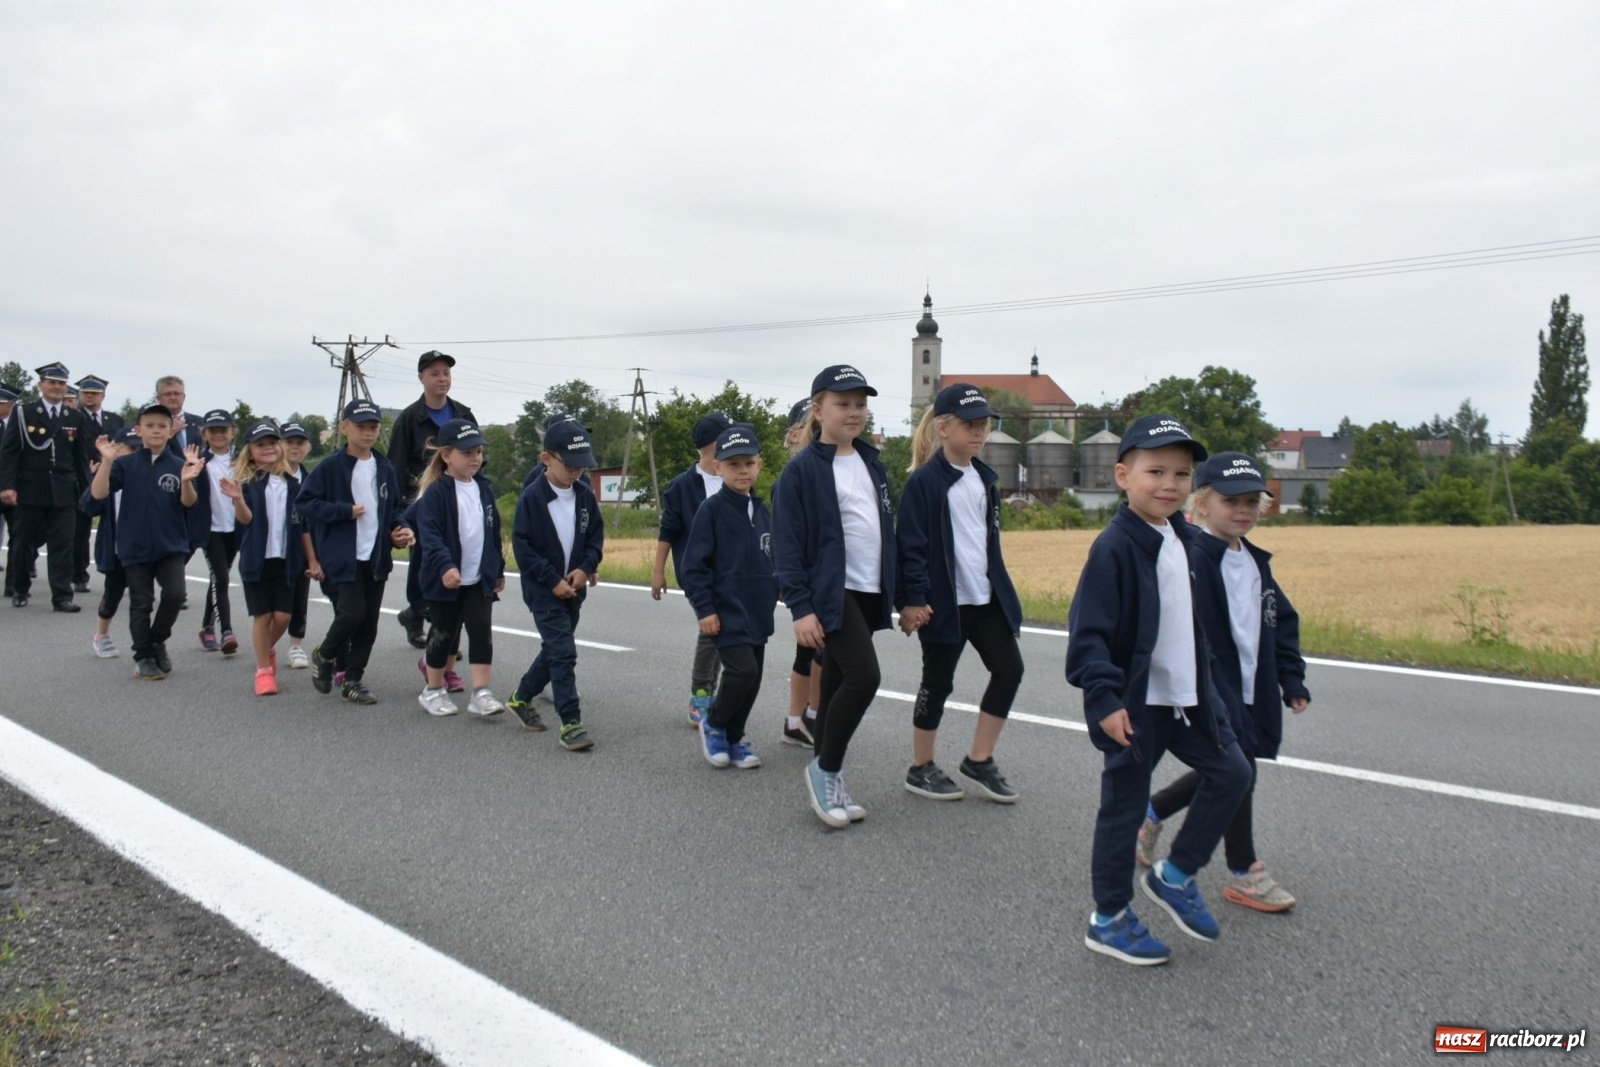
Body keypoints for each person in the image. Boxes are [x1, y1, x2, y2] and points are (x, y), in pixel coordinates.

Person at [1066, 415, 1253, 966]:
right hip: (1136, 706)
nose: (1169, 484)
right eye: (1155, 471)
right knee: (1123, 812)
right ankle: (1109, 919)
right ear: (1123, 475)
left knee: (1235, 773)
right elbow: (1089, 634)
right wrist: (1104, 700)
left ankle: (1174, 875)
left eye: (1181, 473)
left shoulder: (1186, 539)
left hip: (1189, 700)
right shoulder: (1115, 548)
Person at [1138, 452, 1311, 913]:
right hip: (1213, 689)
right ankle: (1244, 870)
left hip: (1255, 688)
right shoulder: (1193, 558)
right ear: (1202, 503)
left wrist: (1291, 678)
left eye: (1253, 501)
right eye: (1232, 500)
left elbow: (1282, 622)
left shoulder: (1255, 562)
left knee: (1236, 768)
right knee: (1240, 772)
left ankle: (1152, 813)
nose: (1243, 510)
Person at [773, 365, 895, 829]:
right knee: (865, 678)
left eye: (861, 404)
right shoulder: (801, 472)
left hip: (868, 588)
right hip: (831, 591)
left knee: (839, 683)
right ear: (818, 410)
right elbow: (786, 544)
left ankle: (829, 772)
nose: (854, 412)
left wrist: (905, 595)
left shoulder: (871, 462)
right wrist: (800, 607)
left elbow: (886, 530)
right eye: (843, 404)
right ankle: (825, 770)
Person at [895, 384, 1025, 803]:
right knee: (937, 684)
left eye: (983, 424)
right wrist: (913, 599)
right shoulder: (924, 483)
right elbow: (910, 547)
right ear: (943, 428)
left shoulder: (985, 479)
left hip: (985, 601)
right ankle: (921, 767)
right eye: (969, 425)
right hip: (942, 605)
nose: (979, 432)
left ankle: (980, 759)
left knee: (1010, 670)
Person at [297, 399, 415, 704]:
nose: (368, 433)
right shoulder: (330, 467)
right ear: (344, 426)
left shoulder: (384, 466)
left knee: (369, 623)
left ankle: (353, 680)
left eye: (373, 427)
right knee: (352, 613)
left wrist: (399, 530)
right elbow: (305, 503)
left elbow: (392, 510)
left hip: (374, 557)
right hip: (342, 556)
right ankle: (324, 654)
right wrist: (343, 511)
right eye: (361, 426)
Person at [681, 424, 777, 770]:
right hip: (726, 612)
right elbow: (694, 567)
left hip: (758, 612)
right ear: (718, 467)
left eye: (748, 463)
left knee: (753, 678)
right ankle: (716, 724)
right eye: (733, 464)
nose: (742, 471)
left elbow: (772, 557)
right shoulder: (712, 511)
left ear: (759, 465)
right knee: (741, 672)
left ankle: (735, 738)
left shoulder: (763, 510)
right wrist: (704, 609)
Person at [88, 401, 205, 679]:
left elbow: (189, 503)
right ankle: (143, 656)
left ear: (170, 431)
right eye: (150, 426)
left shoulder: (180, 465)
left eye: (162, 426)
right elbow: (99, 494)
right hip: (134, 546)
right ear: (139, 431)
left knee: (175, 595)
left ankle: (156, 640)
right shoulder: (125, 465)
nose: (156, 430)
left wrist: (187, 480)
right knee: (142, 602)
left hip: (171, 545)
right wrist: (106, 462)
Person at [508, 418, 604, 750]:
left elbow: (595, 537)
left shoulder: (584, 495)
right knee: (564, 653)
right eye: (570, 464)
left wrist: (585, 566)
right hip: (543, 591)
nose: (577, 472)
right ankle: (571, 722)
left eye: (583, 465)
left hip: (574, 590)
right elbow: (523, 548)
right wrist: (552, 581)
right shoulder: (532, 498)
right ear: (546, 458)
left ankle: (521, 697)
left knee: (553, 650)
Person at [412, 419, 506, 717]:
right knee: (443, 634)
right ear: (447, 455)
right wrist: (445, 567)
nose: (475, 458)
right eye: (467, 453)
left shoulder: (484, 489)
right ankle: (433, 690)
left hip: (478, 579)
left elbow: (493, 533)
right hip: (445, 579)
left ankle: (481, 693)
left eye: (478, 451)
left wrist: (498, 569)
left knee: (481, 630)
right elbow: (431, 536)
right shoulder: (436, 493)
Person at [387, 350, 478, 650]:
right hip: (421, 501)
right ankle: (424, 617)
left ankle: (420, 618)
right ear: (421, 378)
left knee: (454, 560)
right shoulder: (409, 419)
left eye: (446, 373)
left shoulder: (464, 414)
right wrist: (398, 514)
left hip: (457, 499)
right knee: (426, 562)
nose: (442, 378)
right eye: (435, 373)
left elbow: (476, 457)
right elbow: (395, 467)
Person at [652, 409, 733, 726]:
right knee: (711, 631)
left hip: (732, 574)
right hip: (699, 575)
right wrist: (658, 573)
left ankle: (711, 694)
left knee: (725, 635)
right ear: (715, 444)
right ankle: (700, 696)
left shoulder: (734, 476)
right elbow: (667, 532)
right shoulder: (683, 486)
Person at [219, 420, 305, 697]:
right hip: (257, 559)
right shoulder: (248, 483)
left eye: (272, 443)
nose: (267, 449)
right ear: (250, 451)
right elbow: (245, 520)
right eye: (260, 445)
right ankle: (263, 670)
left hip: (287, 559)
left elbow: (303, 523)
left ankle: (265, 649)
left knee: (282, 616)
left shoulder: (293, 484)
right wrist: (237, 500)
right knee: (262, 615)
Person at [0, 362, 91, 611]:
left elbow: (80, 459)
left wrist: (88, 491)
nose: (57, 387)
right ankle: (19, 588)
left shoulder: (75, 416)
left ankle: (62, 596)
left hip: (63, 491)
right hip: (30, 489)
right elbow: (9, 454)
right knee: (24, 542)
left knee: (62, 545)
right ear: (41, 385)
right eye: (52, 382)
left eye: (61, 383)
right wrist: (7, 485)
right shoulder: (24, 412)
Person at [776, 398, 820, 748]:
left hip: (821, 575)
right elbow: (784, 538)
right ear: (793, 435)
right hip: (807, 578)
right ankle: (805, 718)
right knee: (814, 650)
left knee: (813, 652)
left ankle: (799, 720)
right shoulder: (791, 479)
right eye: (810, 429)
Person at [81, 425, 142, 658]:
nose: (136, 453)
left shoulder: (146, 473)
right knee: (113, 595)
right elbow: (90, 505)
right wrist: (100, 472)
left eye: (140, 448)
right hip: (116, 548)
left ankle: (145, 644)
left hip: (143, 549)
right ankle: (102, 634)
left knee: (142, 597)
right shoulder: (109, 475)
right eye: (130, 448)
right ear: (115, 449)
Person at [71, 375, 122, 593]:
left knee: (115, 526)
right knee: (79, 531)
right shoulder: (73, 417)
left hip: (110, 479)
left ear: (103, 396)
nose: (89, 397)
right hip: (81, 478)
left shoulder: (114, 420)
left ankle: (119, 571)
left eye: (94, 393)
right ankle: (79, 574)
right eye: (85, 393)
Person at [198, 409, 241, 655]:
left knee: (219, 578)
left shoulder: (241, 461)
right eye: (212, 430)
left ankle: (206, 627)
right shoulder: (200, 461)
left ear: (232, 433)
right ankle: (226, 631)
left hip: (234, 528)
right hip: (210, 529)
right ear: (204, 434)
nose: (218, 435)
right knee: (221, 579)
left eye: (223, 430)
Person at [278, 421, 315, 670]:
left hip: (302, 548)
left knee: (300, 598)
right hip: (274, 547)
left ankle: (295, 644)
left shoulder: (311, 480)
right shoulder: (270, 476)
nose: (294, 447)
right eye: (289, 442)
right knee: (276, 604)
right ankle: (267, 642)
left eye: (299, 443)